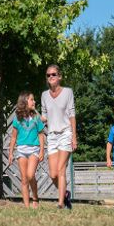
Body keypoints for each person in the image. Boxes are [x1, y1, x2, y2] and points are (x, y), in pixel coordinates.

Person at [41, 64, 77, 209]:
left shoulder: (68, 92)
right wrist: (31, 116)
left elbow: (72, 115)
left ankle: (60, 203)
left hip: (65, 133)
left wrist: (74, 136)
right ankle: (65, 193)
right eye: (48, 75)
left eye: (54, 74)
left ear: (59, 76)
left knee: (61, 169)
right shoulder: (44, 95)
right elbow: (44, 116)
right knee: (53, 174)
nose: (51, 77)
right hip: (52, 136)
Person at [7, 92, 46, 208]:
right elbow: (13, 137)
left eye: (34, 100)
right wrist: (10, 153)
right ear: (24, 102)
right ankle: (27, 206)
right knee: (24, 179)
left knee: (30, 175)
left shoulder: (36, 118)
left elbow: (40, 134)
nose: (34, 102)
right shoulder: (17, 119)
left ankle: (35, 197)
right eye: (31, 100)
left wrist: (42, 150)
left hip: (34, 149)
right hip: (21, 150)